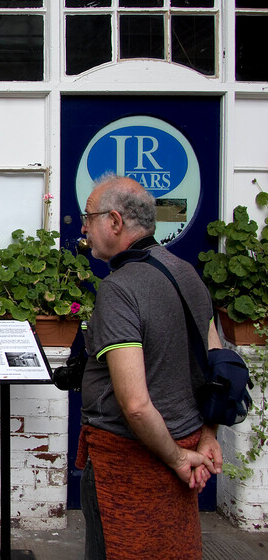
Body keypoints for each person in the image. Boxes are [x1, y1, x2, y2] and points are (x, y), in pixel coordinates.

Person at [76, 174, 223, 560]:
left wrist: (177, 459)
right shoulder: (188, 273)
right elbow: (217, 369)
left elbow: (136, 404)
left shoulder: (120, 289)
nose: (83, 227)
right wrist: (207, 438)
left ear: (114, 221)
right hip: (188, 452)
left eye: (88, 217)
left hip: (125, 470)